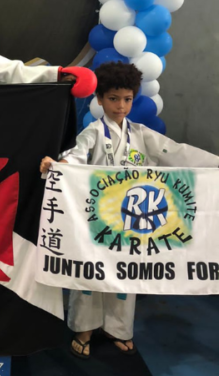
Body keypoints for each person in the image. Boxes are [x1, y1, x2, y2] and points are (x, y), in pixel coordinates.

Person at [41, 61, 219, 359]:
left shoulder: (141, 134)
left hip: (134, 220)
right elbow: (76, 155)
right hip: (95, 220)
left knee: (126, 275)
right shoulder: (93, 132)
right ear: (99, 99)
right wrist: (60, 166)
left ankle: (118, 328)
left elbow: (177, 152)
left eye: (127, 99)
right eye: (113, 98)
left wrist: (216, 163)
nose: (121, 106)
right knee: (91, 274)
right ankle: (84, 329)